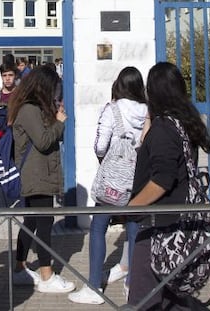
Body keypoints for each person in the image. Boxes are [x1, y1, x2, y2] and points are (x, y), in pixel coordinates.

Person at [127, 62, 210, 310]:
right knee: (172, 298)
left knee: (144, 301)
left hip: (160, 228)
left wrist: (131, 208)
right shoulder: (183, 122)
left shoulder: (165, 128)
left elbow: (161, 181)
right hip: (179, 226)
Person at [68, 66, 148, 304]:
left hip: (113, 179)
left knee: (98, 226)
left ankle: (94, 287)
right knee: (133, 229)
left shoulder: (112, 109)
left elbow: (100, 146)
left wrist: (107, 163)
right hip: (138, 179)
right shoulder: (147, 110)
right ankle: (132, 286)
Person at [7, 65, 75, 293]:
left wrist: (56, 117)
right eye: (54, 88)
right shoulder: (29, 110)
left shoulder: (36, 108)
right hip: (37, 175)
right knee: (44, 222)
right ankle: (46, 275)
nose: (56, 92)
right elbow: (44, 141)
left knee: (32, 222)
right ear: (44, 87)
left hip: (41, 172)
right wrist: (60, 121)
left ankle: (20, 269)